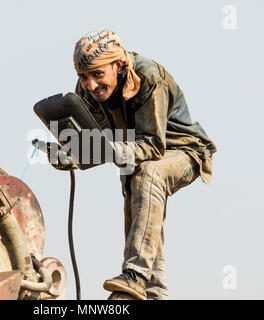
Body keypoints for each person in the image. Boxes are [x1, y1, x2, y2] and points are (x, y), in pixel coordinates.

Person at [55, 28, 217, 300]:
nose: (90, 85)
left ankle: (136, 274)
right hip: (134, 156)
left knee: (148, 174)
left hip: (184, 151)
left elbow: (153, 145)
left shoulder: (149, 77)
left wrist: (111, 149)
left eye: (97, 75)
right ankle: (154, 292)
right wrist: (69, 152)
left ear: (118, 65)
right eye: (83, 77)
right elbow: (90, 139)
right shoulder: (85, 90)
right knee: (139, 211)